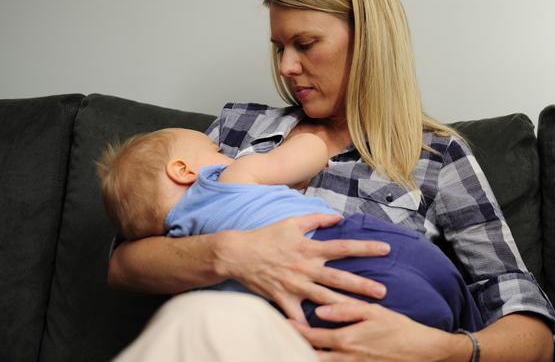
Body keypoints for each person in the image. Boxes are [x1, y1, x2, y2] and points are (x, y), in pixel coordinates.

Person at [109, 0, 555, 362]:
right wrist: (229, 253)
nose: (285, 67)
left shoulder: (438, 157)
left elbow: (533, 335)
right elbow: (125, 265)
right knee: (205, 317)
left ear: (367, 39)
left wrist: (444, 349)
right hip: (249, 340)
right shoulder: (234, 131)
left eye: (304, 45)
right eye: (279, 48)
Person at [97, 127, 485, 332]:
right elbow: (311, 149)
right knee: (444, 288)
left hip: (302, 308)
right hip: (348, 243)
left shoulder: (179, 245)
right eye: (214, 148)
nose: (224, 153)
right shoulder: (229, 176)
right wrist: (298, 153)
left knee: (418, 311)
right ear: (184, 170)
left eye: (305, 43)